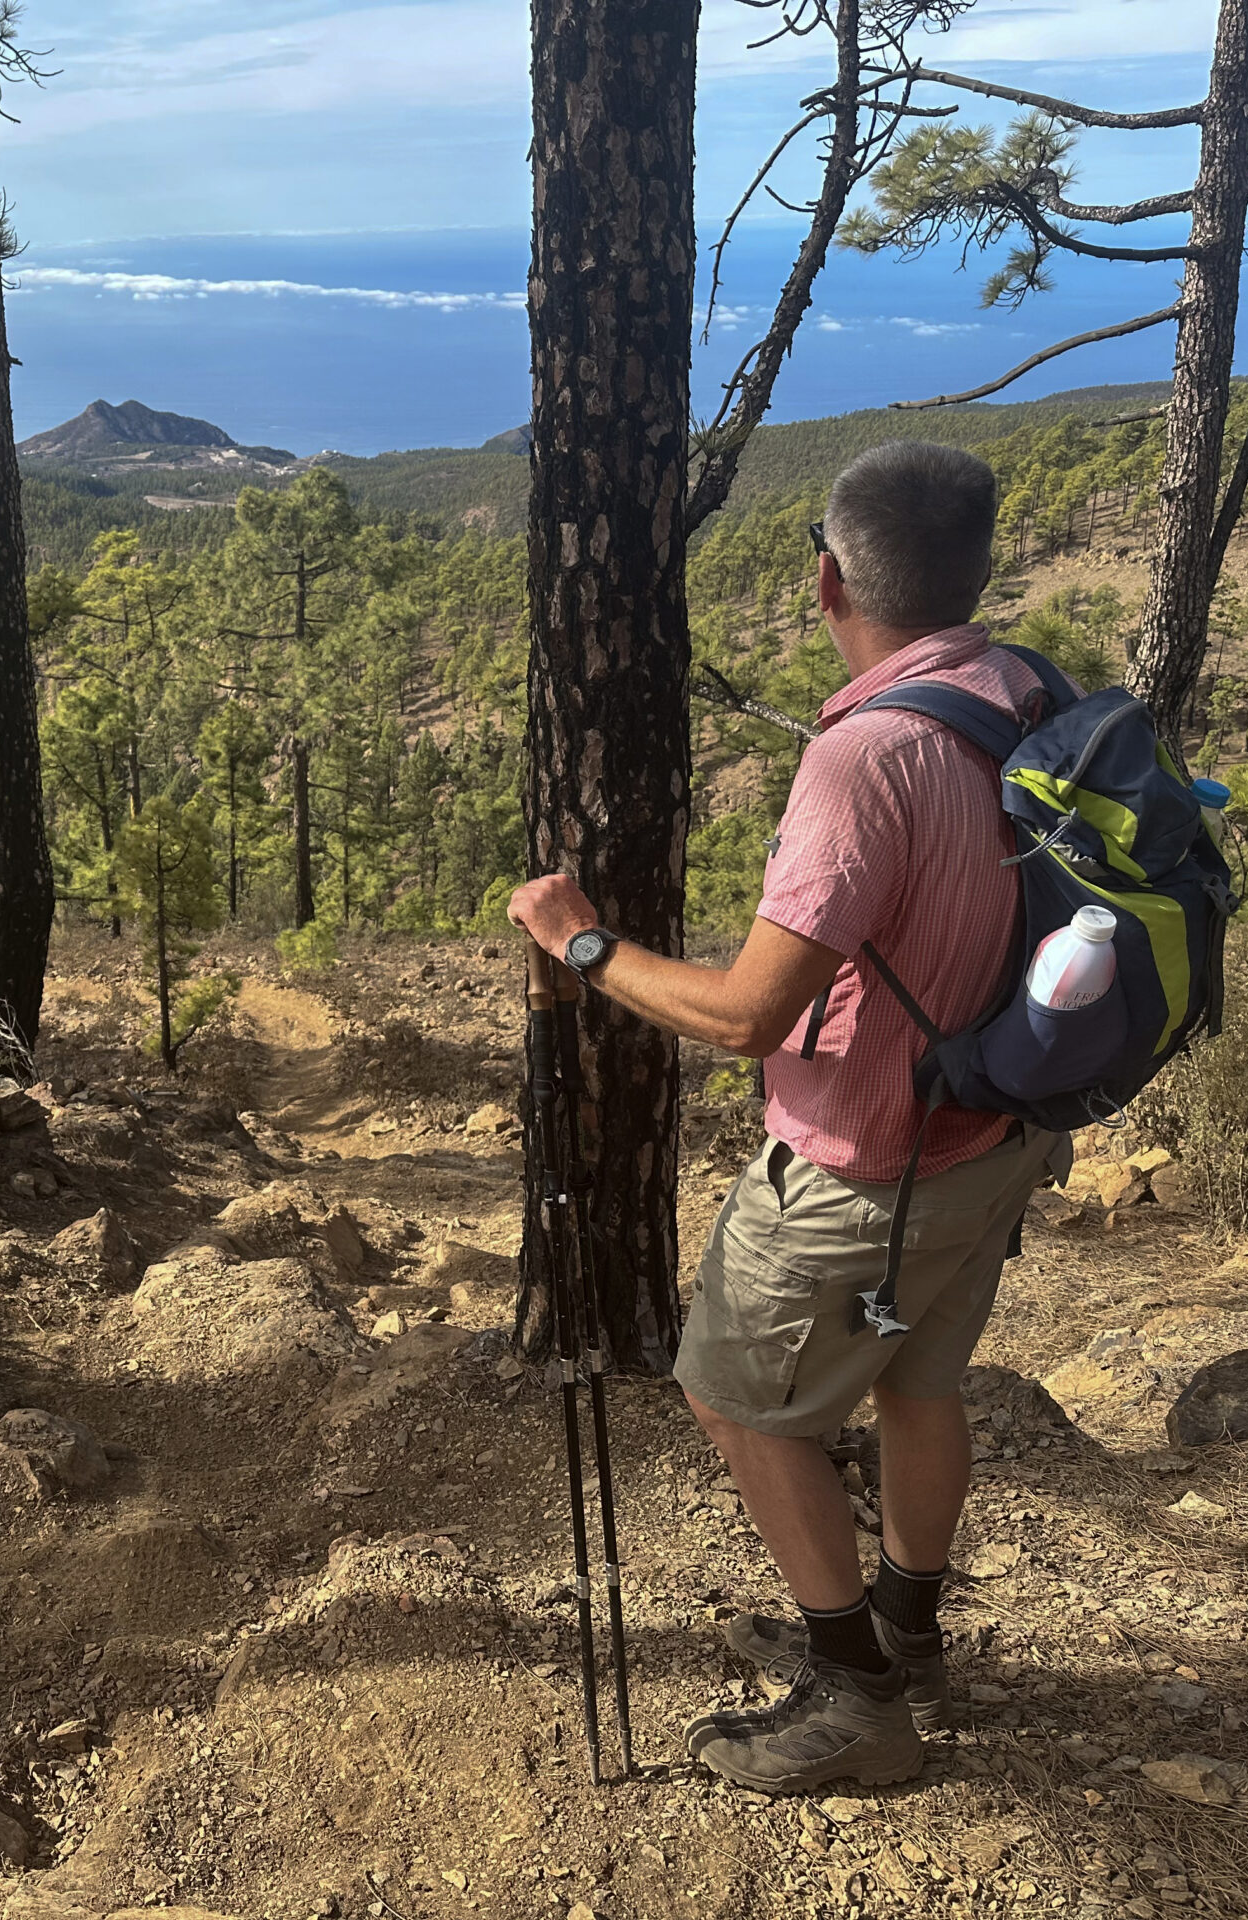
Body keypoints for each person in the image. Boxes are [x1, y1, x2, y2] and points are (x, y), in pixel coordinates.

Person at [507, 440, 1073, 1795]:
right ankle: (908, 1636)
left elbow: (749, 1015)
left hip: (867, 1169)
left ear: (829, 581)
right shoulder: (1027, 692)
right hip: (996, 1136)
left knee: (737, 1400)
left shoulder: (864, 756)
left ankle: (856, 1696)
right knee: (918, 1383)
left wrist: (581, 943)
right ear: (975, 570)